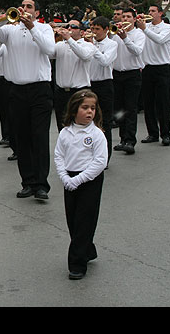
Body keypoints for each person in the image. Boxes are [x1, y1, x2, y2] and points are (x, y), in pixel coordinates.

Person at [0, 0, 55, 200]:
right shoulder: (9, 30)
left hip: (40, 90)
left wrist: (33, 28)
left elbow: (50, 50)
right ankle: (28, 182)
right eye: (22, 6)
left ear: (37, 13)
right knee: (22, 138)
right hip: (17, 90)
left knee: (39, 138)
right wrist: (6, 17)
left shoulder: (44, 28)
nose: (24, 9)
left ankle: (41, 184)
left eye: (29, 6)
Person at [54, 89, 108, 280]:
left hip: (89, 181)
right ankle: (88, 249)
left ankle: (77, 264)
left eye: (93, 108)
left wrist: (79, 179)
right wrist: (64, 177)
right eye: (85, 108)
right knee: (73, 221)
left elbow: (100, 162)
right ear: (74, 109)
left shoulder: (96, 134)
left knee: (85, 221)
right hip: (70, 180)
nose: (89, 112)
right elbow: (59, 155)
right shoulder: (66, 133)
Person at [137, 5, 170, 146]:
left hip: (162, 68)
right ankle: (152, 133)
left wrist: (144, 29)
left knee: (162, 103)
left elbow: (159, 40)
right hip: (147, 68)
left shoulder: (166, 28)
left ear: (160, 13)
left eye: (153, 11)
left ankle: (165, 134)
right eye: (149, 11)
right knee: (148, 103)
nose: (150, 13)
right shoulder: (145, 27)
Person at [51, 20, 95, 131]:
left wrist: (69, 39)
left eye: (74, 26)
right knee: (63, 126)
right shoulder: (60, 45)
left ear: (81, 31)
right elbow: (48, 54)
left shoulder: (88, 45)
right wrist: (50, 35)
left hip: (80, 91)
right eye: (68, 26)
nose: (70, 28)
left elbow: (84, 55)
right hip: (61, 92)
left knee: (80, 125)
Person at [111, 8, 145, 155]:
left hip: (132, 74)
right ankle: (123, 139)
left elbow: (137, 51)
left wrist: (125, 38)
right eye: (123, 16)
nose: (125, 19)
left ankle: (130, 141)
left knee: (130, 108)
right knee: (119, 108)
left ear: (134, 18)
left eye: (128, 17)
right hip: (117, 74)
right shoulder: (115, 34)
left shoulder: (139, 34)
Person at [88, 16, 117, 161]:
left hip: (104, 84)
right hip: (89, 85)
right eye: (92, 29)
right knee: (89, 121)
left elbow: (105, 61)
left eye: (97, 29)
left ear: (106, 30)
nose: (94, 32)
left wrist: (92, 46)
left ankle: (105, 157)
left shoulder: (112, 44)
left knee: (104, 122)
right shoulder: (89, 43)